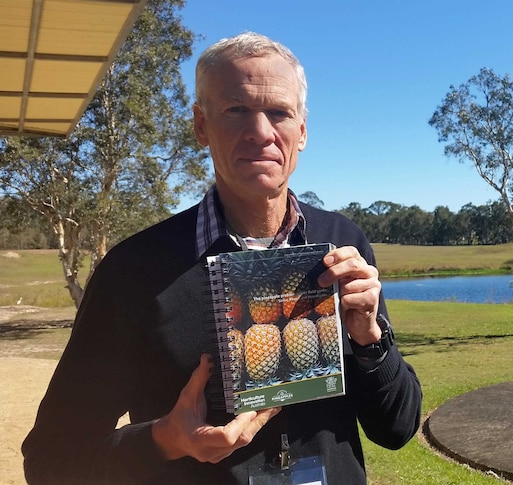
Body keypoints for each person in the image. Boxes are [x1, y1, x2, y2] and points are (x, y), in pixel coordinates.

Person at [22, 32, 422, 484]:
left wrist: (371, 340)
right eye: (237, 110)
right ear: (200, 126)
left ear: (303, 131)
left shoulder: (341, 243)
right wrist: (165, 440)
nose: (261, 132)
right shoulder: (134, 271)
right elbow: (50, 460)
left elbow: (397, 428)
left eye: (280, 113)